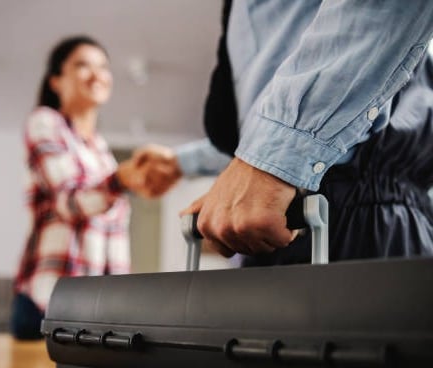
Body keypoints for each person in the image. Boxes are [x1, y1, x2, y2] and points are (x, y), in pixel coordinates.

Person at [137, 1, 433, 265]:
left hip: (365, 216)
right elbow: (264, 132)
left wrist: (268, 162)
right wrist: (181, 163)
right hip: (280, 219)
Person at [11, 36, 154, 340]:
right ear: (56, 81)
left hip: (94, 311)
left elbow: (113, 235)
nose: (97, 74)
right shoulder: (45, 123)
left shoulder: (101, 150)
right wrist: (122, 180)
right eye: (82, 65)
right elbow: (70, 201)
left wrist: (121, 303)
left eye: (103, 66)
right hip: (48, 303)